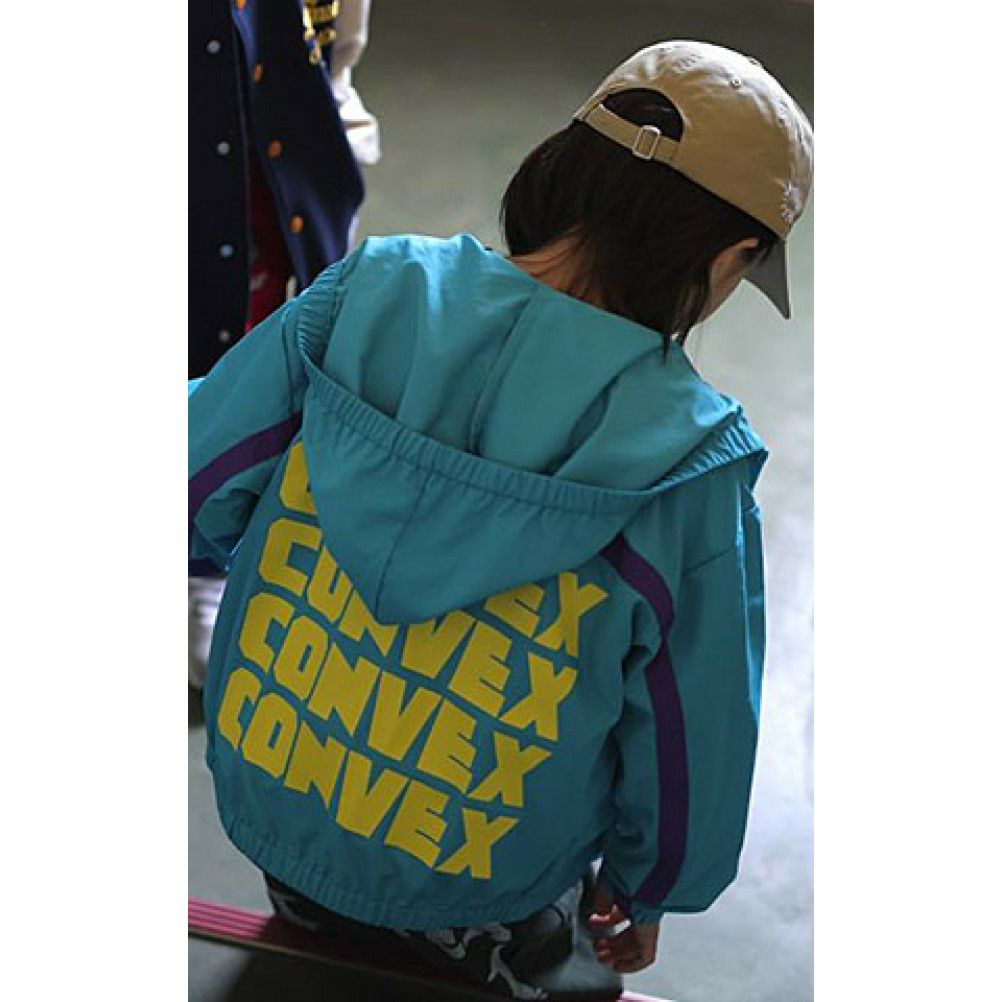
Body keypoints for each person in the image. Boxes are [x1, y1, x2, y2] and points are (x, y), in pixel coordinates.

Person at [188, 40, 813, 999]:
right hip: (481, 878)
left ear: (563, 167)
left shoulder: (368, 290)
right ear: (728, 258)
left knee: (324, 902)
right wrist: (648, 888)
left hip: (277, 793)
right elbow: (695, 733)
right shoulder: (691, 464)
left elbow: (192, 480)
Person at [188, 0, 380, 687]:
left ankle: (210, 570)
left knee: (251, 381)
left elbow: (335, 41)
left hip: (277, 189)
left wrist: (340, 141)